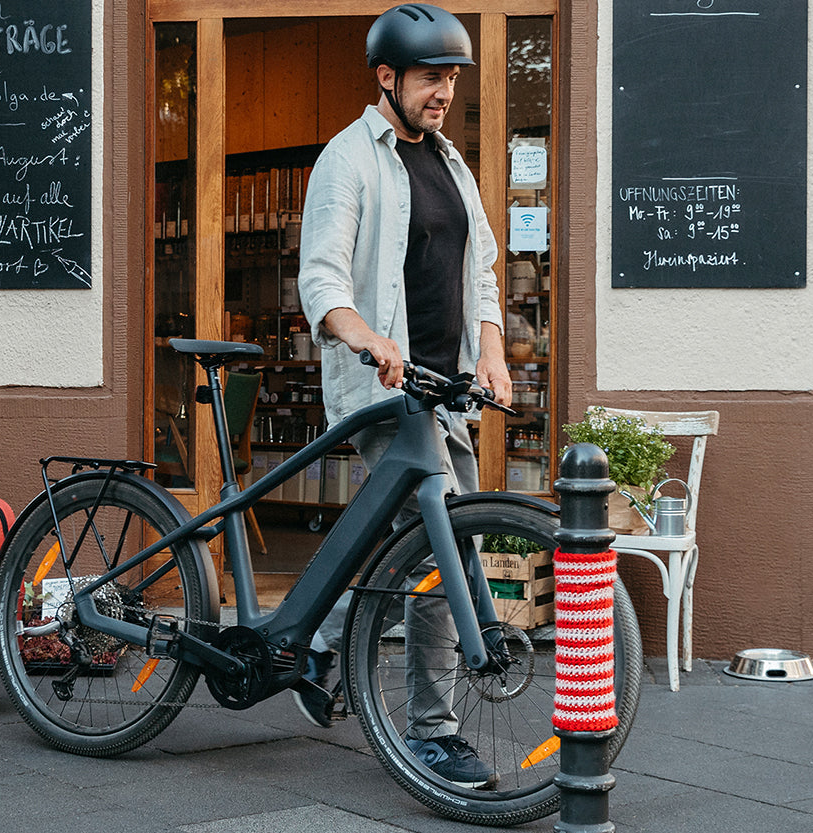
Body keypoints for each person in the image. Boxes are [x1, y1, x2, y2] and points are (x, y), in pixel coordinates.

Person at [288, 2, 511, 789]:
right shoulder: (347, 160)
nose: (443, 91)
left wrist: (490, 352)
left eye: (451, 77)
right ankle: (433, 732)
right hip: (385, 392)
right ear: (387, 77)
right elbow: (322, 279)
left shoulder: (452, 163)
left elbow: (481, 272)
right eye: (429, 77)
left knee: (428, 548)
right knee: (443, 548)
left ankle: (319, 637)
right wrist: (367, 337)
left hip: (445, 391)